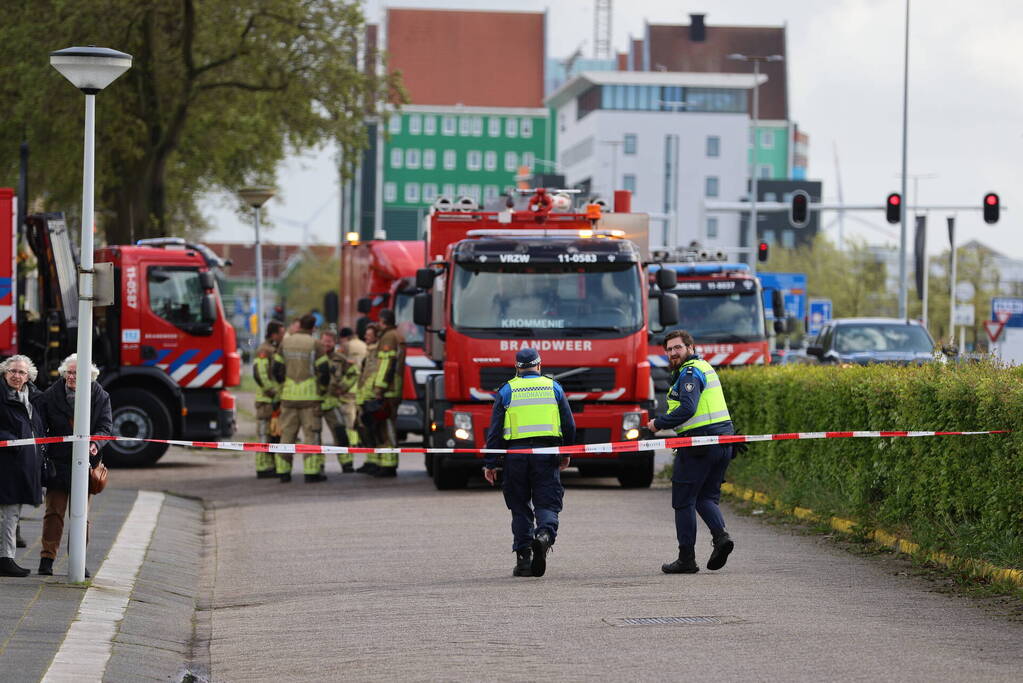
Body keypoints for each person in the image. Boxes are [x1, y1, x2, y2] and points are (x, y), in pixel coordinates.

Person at [645, 329, 735, 574]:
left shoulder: (690, 372)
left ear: (690, 348)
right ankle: (721, 538)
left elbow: (688, 408)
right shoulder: (704, 368)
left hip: (700, 445)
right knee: (706, 497)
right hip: (723, 443)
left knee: (683, 501)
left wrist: (659, 423)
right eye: (670, 349)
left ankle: (686, 559)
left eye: (678, 348)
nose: (674, 353)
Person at [483, 348, 575, 578]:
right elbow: (569, 424)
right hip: (546, 454)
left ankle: (524, 560)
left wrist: (490, 463)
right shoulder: (553, 387)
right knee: (547, 502)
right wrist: (566, 452)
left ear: (517, 367)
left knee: (519, 507)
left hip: (515, 457)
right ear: (539, 365)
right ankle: (543, 536)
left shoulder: (506, 390)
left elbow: (494, 431)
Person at [33, 354, 113, 577]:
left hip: (85, 463)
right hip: (58, 463)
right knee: (53, 512)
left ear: (90, 376)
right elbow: (40, 427)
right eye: (68, 372)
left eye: (76, 373)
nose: (71, 376)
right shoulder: (51, 395)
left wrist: (96, 443)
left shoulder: (100, 395)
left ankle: (79, 560)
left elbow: (106, 427)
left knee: (81, 515)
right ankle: (47, 559)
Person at [0, 355, 45, 577]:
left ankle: (6, 557)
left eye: (21, 372)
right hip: (5, 462)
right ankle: (5, 559)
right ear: (4, 372)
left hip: (22, 464)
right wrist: (10, 439)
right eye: (13, 371)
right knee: (8, 513)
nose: (16, 376)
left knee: (12, 512)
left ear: (29, 377)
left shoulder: (32, 397)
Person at [273, 313, 324, 483]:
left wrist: (284, 384)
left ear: (300, 324)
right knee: (311, 435)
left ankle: (283, 472)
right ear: (313, 328)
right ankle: (311, 472)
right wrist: (321, 389)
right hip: (310, 398)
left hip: (288, 396)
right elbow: (323, 370)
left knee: (287, 434)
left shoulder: (285, 342)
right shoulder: (315, 344)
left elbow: (276, 368)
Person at [370, 309, 406, 477]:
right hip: (391, 388)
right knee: (384, 427)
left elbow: (386, 365)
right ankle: (386, 462)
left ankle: (389, 464)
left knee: (387, 427)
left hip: (389, 390)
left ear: (383, 321)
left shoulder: (389, 337)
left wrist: (379, 389)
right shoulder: (394, 335)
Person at [316, 328, 353, 473]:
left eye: (330, 342)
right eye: (324, 341)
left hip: (332, 402)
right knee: (315, 435)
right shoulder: (314, 357)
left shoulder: (340, 358)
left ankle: (346, 463)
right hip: (316, 402)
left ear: (335, 343)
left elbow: (353, 373)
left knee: (340, 433)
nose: (327, 344)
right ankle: (318, 465)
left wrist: (344, 387)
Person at [253, 320, 285, 478]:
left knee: (273, 434)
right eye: (281, 334)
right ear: (274, 334)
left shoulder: (274, 349)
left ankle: (270, 465)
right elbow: (260, 373)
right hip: (266, 401)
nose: (283, 336)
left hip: (274, 400)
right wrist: (271, 392)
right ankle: (263, 467)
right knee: (264, 434)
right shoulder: (265, 350)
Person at [354, 324, 381, 474]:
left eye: (369, 335)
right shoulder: (369, 352)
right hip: (364, 397)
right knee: (365, 432)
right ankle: (371, 460)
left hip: (370, 398)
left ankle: (376, 462)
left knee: (374, 432)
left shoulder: (375, 353)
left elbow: (371, 376)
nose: (366, 337)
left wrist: (366, 395)